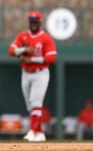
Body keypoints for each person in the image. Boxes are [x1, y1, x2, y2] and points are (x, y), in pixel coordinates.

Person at [8, 10, 57, 142]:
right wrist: (24, 50)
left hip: (40, 73)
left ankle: (32, 131)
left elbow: (51, 57)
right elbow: (11, 51)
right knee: (30, 105)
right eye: (31, 21)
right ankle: (40, 133)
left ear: (40, 22)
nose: (33, 24)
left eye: (35, 21)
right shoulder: (23, 36)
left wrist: (33, 59)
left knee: (36, 103)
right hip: (26, 73)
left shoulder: (46, 38)